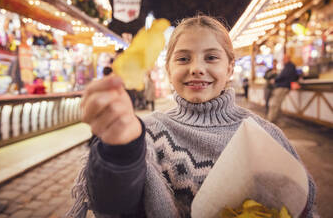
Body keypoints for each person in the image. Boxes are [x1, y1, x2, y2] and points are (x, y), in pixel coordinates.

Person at [68, 15, 316, 218]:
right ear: (169, 69)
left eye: (211, 57)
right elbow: (111, 204)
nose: (196, 67)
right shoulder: (147, 133)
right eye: (183, 58)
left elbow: (302, 203)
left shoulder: (265, 134)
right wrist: (120, 148)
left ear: (229, 67)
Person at [267, 55, 299, 123]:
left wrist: (275, 80)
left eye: (284, 59)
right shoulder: (288, 66)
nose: (283, 60)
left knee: (274, 103)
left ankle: (271, 120)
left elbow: (283, 76)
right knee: (276, 103)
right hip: (283, 86)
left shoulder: (289, 66)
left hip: (283, 86)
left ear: (287, 59)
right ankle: (273, 119)